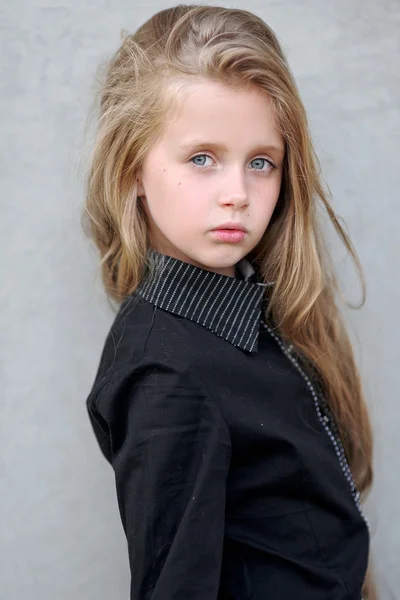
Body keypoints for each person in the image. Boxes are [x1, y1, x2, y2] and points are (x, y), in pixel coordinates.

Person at [82, 5, 377, 599]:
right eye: (202, 159)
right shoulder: (167, 376)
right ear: (131, 168)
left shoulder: (247, 306)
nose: (237, 195)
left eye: (261, 162)